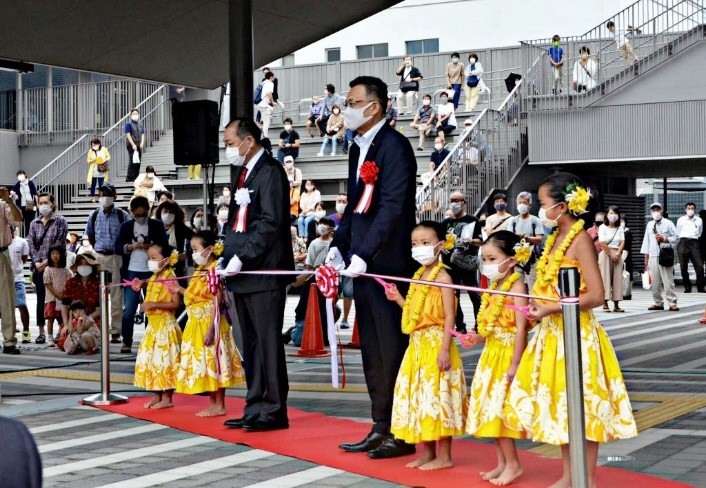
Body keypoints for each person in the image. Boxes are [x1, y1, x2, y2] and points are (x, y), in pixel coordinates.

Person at [504, 172, 637, 488]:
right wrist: (538, 305)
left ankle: (586, 479)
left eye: (542, 204)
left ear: (562, 206)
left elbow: (596, 295)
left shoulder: (579, 241)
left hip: (576, 335)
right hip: (552, 335)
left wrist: (553, 307)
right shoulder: (553, 240)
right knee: (563, 406)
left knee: (584, 408)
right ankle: (568, 475)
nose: (540, 210)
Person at [328, 76, 417, 459]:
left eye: (352, 101)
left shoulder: (395, 146)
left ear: (374, 106)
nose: (346, 107)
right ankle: (380, 424)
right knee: (372, 351)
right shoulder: (356, 148)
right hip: (361, 263)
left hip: (387, 263)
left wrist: (366, 252)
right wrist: (338, 247)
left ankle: (402, 429)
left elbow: (392, 206)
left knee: (393, 348)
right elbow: (354, 208)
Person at [220, 118, 294, 431]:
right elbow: (237, 219)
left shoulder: (271, 171)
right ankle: (254, 405)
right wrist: (224, 254)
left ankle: (274, 409)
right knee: (248, 343)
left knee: (267, 343)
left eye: (230, 143)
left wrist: (242, 256)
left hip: (263, 270)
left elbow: (270, 222)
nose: (228, 150)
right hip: (241, 271)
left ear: (248, 140)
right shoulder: (244, 171)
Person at [384, 221, 465, 470]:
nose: (419, 248)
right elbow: (414, 314)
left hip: (436, 344)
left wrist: (444, 349)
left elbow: (450, 317)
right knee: (422, 398)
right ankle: (428, 452)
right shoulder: (419, 276)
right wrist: (398, 298)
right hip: (417, 346)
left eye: (426, 243)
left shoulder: (444, 277)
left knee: (439, 398)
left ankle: (445, 455)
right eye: (415, 244)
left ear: (440, 245)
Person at [465, 230, 529, 485]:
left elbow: (522, 328)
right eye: (485, 259)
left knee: (501, 410)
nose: (487, 265)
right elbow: (488, 327)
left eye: (492, 259)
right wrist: (475, 337)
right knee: (490, 410)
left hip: (507, 354)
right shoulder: (494, 286)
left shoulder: (517, 285)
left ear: (511, 260)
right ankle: (502, 462)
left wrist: (515, 363)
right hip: (491, 354)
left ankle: (514, 464)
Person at [177, 231, 244, 417]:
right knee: (206, 364)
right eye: (192, 249)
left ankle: (220, 404)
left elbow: (218, 300)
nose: (193, 253)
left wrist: (211, 328)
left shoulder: (216, 269)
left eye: (196, 249)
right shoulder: (200, 270)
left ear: (209, 249)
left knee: (215, 363)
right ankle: (213, 403)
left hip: (210, 322)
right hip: (195, 323)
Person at [116, 195, 168, 353]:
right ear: (131, 212)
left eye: (143, 214)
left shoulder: (157, 225)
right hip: (132, 270)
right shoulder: (126, 226)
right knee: (129, 309)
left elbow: (165, 246)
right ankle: (127, 341)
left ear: (148, 211)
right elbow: (117, 246)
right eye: (136, 215)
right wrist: (130, 247)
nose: (140, 218)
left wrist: (152, 246)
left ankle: (149, 339)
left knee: (151, 307)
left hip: (152, 270)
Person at [134, 243, 182, 409]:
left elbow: (176, 303)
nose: (150, 261)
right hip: (153, 326)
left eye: (154, 258)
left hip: (165, 326)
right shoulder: (154, 276)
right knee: (151, 360)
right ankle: (157, 395)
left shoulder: (170, 276)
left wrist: (154, 305)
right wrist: (141, 283)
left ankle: (167, 397)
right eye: (149, 258)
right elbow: (147, 282)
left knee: (165, 361)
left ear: (166, 260)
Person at [85, 184, 128, 343]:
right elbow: (90, 236)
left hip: (116, 257)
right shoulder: (94, 215)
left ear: (115, 197)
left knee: (116, 297)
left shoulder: (123, 215)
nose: (104, 197)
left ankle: (116, 331)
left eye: (108, 194)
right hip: (99, 257)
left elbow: (127, 235)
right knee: (98, 295)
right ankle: (99, 328)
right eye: (102, 194)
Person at [27, 193, 68, 345]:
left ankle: (59, 330)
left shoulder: (60, 221)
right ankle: (42, 332)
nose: (43, 205)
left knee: (57, 298)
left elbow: (59, 243)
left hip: (55, 267)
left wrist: (46, 262)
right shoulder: (34, 223)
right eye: (40, 202)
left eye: (46, 202)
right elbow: (31, 243)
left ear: (52, 204)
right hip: (38, 268)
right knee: (41, 300)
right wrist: (37, 262)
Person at [442, 191, 482, 332]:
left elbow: (480, 241)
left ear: (464, 203)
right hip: (450, 264)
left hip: (467, 263)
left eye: (458, 200)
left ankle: (479, 324)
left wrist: (469, 241)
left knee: (474, 295)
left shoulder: (472, 220)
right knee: (454, 296)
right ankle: (460, 326)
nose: (455, 203)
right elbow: (440, 242)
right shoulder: (446, 222)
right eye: (452, 200)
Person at [641, 202, 679, 311]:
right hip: (653, 254)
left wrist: (665, 239)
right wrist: (646, 258)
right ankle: (658, 302)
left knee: (668, 280)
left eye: (658, 210)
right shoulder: (649, 225)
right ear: (651, 212)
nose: (656, 212)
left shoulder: (668, 223)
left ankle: (672, 302)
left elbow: (677, 238)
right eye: (653, 210)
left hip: (665, 254)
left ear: (661, 211)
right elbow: (646, 241)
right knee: (655, 281)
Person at [0, 186, 22, 354]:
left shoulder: (3, 205)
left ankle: (9, 341)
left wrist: (9, 200)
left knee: (7, 299)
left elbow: (18, 220)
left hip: (1, 254)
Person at [507, 191, 544, 287]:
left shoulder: (535, 220)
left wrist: (526, 237)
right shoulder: (512, 221)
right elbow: (509, 237)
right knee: (519, 289)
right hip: (517, 260)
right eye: (519, 203)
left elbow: (539, 239)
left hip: (532, 259)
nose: (521, 205)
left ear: (530, 205)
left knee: (533, 288)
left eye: (524, 203)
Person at [61, 253, 101, 328]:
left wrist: (87, 319)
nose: (83, 266)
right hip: (73, 320)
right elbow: (65, 306)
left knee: (89, 336)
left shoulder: (98, 283)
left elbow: (100, 309)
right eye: (81, 264)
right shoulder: (70, 282)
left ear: (92, 266)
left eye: (86, 264)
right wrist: (66, 324)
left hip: (93, 319)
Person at [597, 206, 626, 312]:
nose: (612, 215)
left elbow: (623, 241)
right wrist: (611, 254)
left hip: (617, 253)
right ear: (607, 215)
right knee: (605, 278)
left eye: (615, 213)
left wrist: (618, 253)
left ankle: (616, 304)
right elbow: (602, 242)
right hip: (606, 253)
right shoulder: (602, 227)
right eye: (610, 213)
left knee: (617, 278)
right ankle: (605, 303)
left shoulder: (620, 228)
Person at [155, 199, 193, 278]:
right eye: (165, 211)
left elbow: (197, 240)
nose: (168, 214)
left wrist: (187, 254)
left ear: (176, 214)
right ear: (160, 213)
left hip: (178, 269)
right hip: (158, 268)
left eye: (171, 212)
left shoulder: (181, 228)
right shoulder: (155, 228)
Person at [43, 244, 71, 346]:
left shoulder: (66, 271)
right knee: (50, 318)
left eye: (58, 253)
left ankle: (60, 336)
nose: (55, 256)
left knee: (62, 319)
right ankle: (49, 337)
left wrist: (63, 294)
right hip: (51, 298)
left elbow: (69, 283)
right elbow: (47, 283)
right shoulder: (48, 269)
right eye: (53, 253)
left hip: (63, 299)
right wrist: (56, 294)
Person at [676, 202, 704, 293]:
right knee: (683, 266)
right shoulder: (681, 220)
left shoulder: (699, 220)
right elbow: (678, 232)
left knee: (699, 265)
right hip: (683, 241)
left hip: (694, 242)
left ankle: (700, 287)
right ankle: (687, 287)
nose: (690, 210)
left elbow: (700, 232)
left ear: (694, 209)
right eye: (688, 208)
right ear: (685, 209)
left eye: (692, 208)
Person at [9, 227, 30, 343]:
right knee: (4, 308)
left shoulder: (22, 242)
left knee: (22, 304)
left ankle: (26, 331)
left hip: (18, 278)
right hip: (4, 278)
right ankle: (10, 330)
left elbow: (24, 259)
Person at [10, 170, 37, 237]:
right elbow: (12, 192)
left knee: (30, 221)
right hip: (22, 205)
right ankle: (25, 236)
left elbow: (35, 193)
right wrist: (14, 195)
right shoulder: (18, 184)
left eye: (21, 175)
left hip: (30, 204)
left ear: (25, 175)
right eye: (18, 175)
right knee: (23, 222)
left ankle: (30, 236)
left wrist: (37, 204)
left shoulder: (30, 183)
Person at [125, 108, 146, 182]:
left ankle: (136, 176)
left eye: (136, 114)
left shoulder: (140, 124)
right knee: (132, 160)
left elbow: (143, 134)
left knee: (138, 161)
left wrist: (142, 142)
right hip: (131, 145)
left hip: (138, 144)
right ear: (131, 115)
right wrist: (133, 145)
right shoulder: (128, 124)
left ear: (139, 114)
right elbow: (128, 135)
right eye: (133, 114)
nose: (135, 115)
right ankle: (129, 177)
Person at [257, 71, 276, 140]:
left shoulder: (263, 82)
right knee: (267, 121)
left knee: (269, 112)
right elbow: (269, 94)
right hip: (264, 105)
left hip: (259, 104)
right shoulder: (270, 83)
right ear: (271, 77)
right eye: (273, 77)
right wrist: (273, 102)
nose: (274, 78)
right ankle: (265, 136)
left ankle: (263, 134)